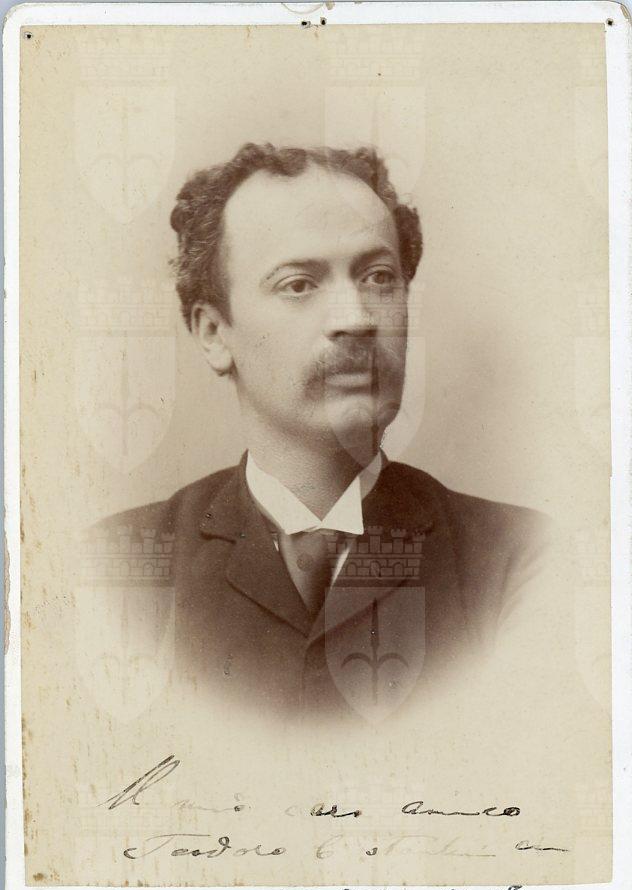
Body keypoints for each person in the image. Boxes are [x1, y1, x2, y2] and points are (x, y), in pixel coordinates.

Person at [85, 143, 553, 723]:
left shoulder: (519, 562)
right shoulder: (115, 570)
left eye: (379, 277)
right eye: (299, 285)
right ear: (214, 334)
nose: (356, 319)